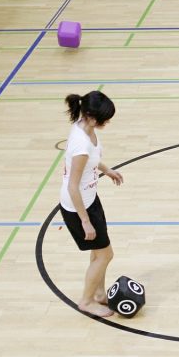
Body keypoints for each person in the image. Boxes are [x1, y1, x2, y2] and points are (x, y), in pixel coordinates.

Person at [59, 91, 123, 318]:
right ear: (90, 116)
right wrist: (85, 221)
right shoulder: (80, 145)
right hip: (78, 208)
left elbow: (92, 160)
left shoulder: (84, 126)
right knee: (106, 255)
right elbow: (72, 186)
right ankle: (86, 301)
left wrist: (107, 170)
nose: (106, 122)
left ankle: (98, 293)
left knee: (99, 252)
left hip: (90, 200)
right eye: (104, 118)